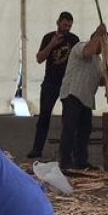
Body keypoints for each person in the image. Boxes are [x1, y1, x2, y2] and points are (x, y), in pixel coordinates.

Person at [56, 23, 108, 171]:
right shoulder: (81, 46)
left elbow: (99, 82)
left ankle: (80, 160)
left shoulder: (98, 61)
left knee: (85, 130)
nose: (105, 49)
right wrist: (99, 34)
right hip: (73, 93)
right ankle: (65, 160)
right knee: (70, 128)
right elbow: (87, 53)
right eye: (104, 44)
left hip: (86, 99)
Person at [28, 12, 80, 159]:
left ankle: (66, 152)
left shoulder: (74, 39)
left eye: (69, 26)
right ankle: (37, 149)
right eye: (65, 25)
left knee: (68, 119)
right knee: (44, 116)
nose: (67, 28)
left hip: (68, 83)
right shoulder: (48, 37)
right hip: (50, 82)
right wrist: (52, 44)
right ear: (58, 22)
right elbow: (39, 58)